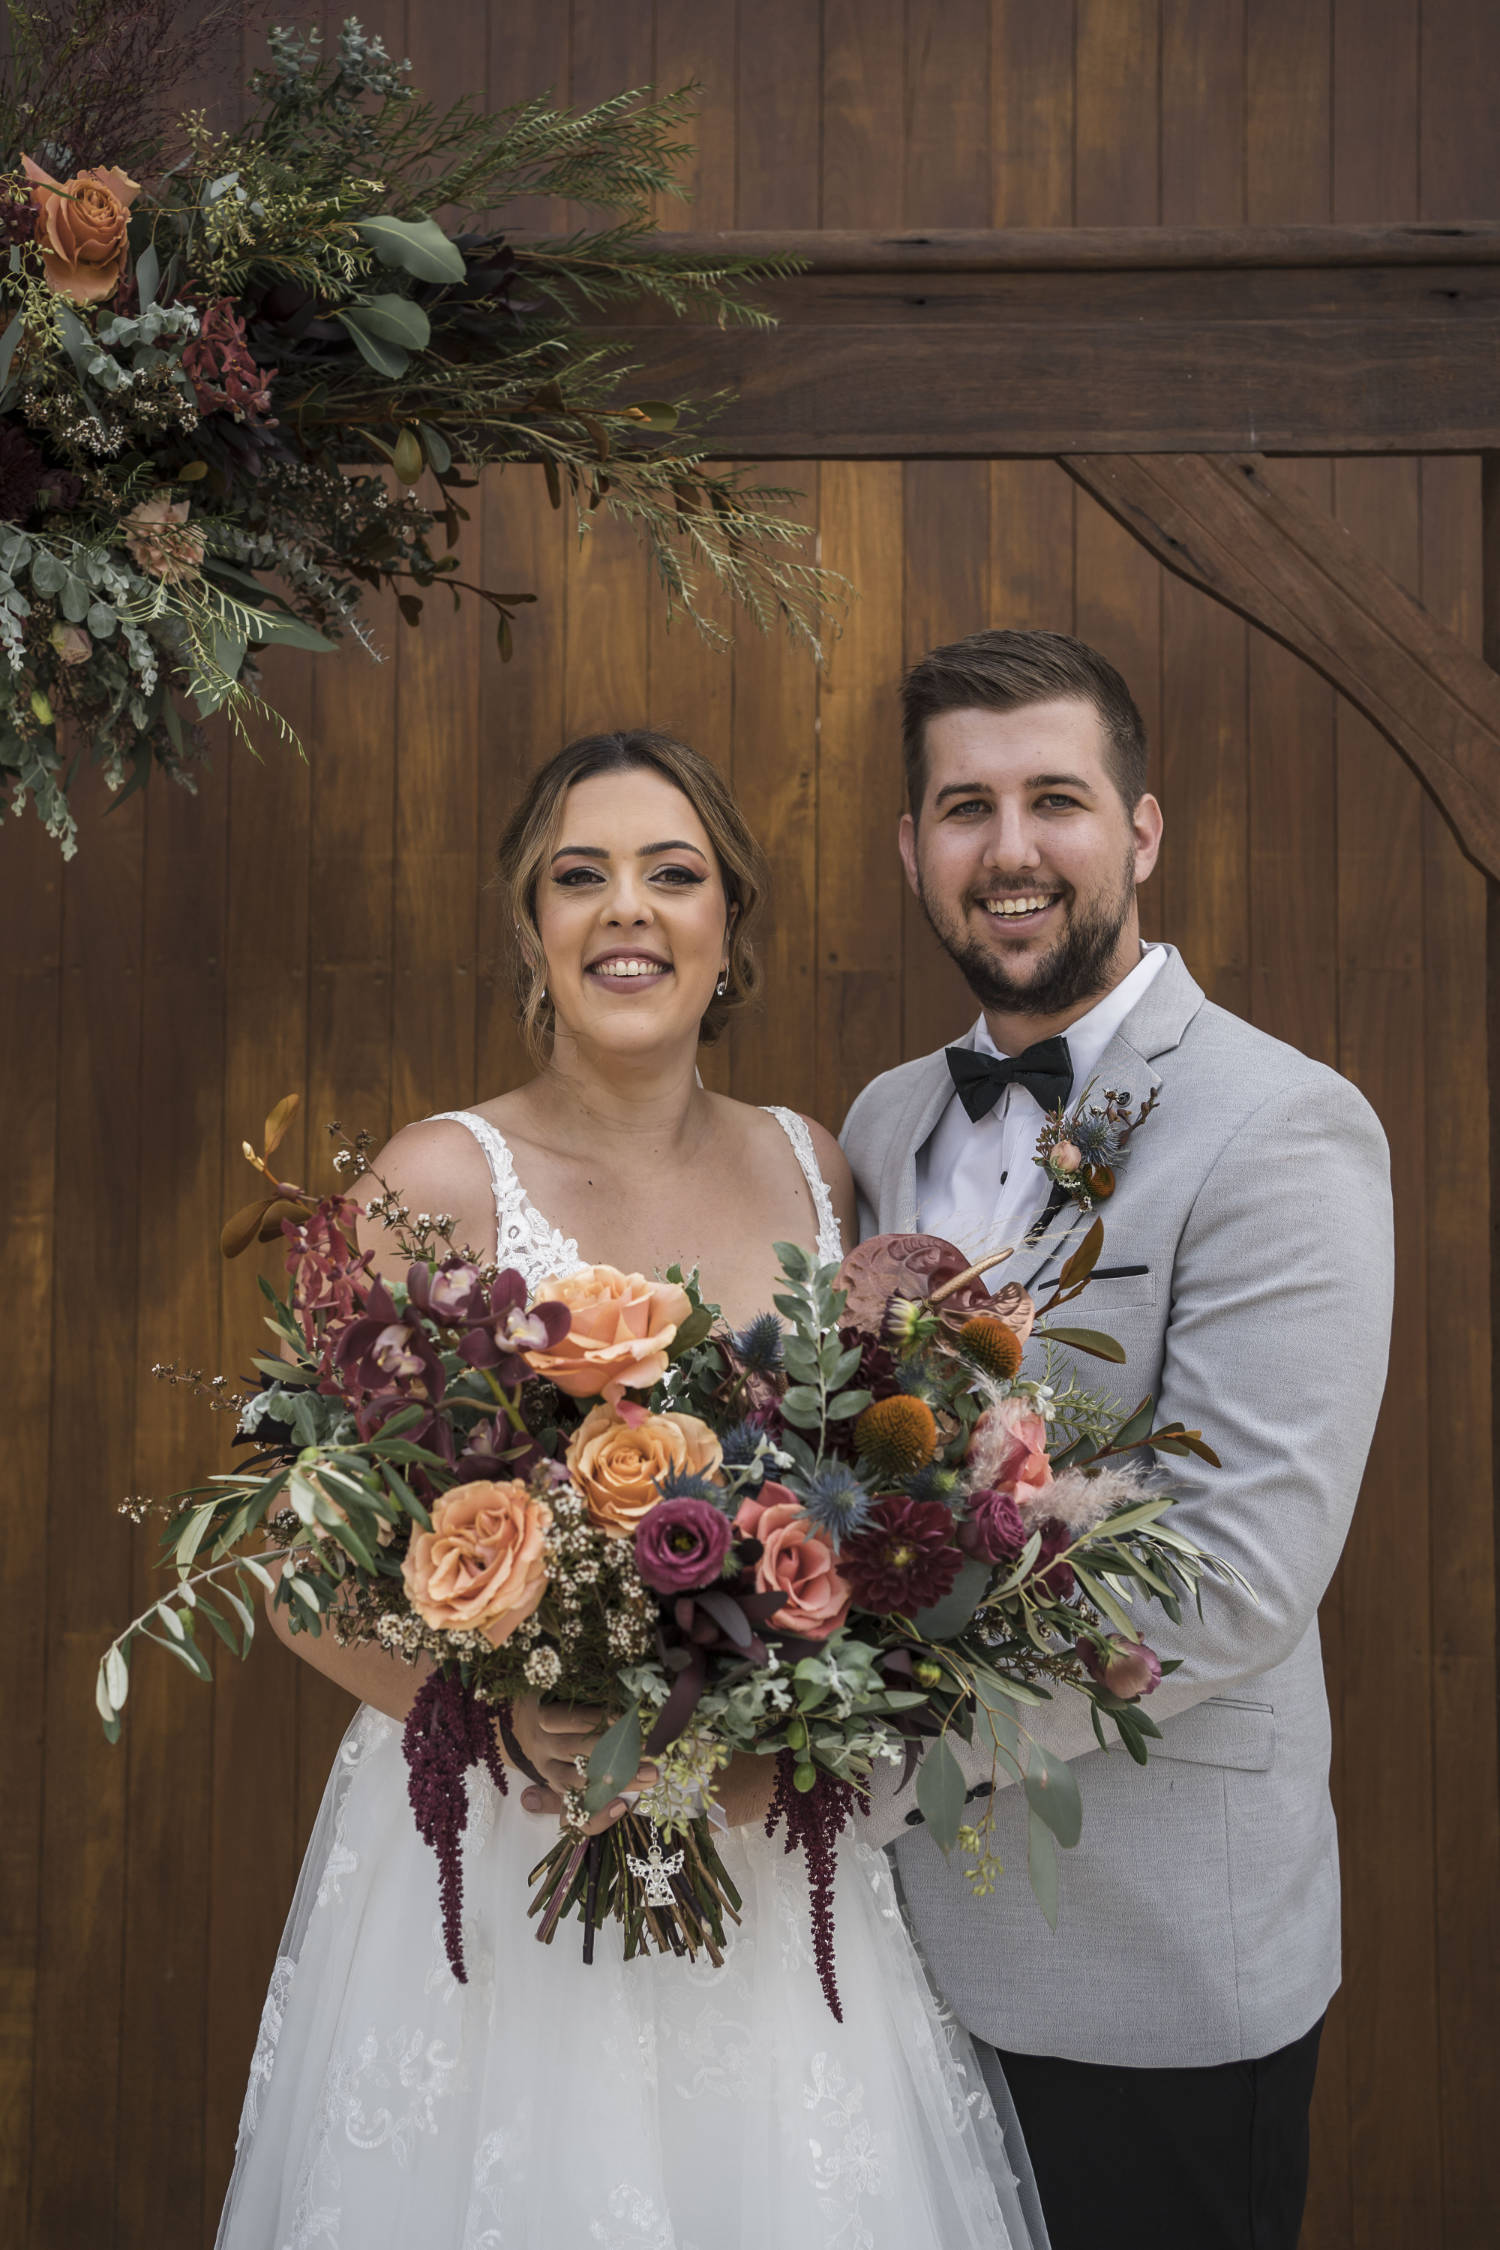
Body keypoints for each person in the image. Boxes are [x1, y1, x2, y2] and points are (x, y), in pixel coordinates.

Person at [217, 729, 1046, 2250]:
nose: (627, 911)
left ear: (730, 924)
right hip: (502, 1842)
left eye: (673, 874)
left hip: (756, 1830)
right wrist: (509, 1706)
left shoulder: (815, 1167)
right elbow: (297, 1566)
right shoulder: (436, 1180)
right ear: (530, 925)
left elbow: (863, 1498)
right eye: (579, 876)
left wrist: (801, 1683)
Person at [840, 630, 1395, 2250]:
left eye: (1056, 801)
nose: (1010, 850)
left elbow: (1231, 1578)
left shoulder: (1280, 1123)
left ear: (1140, 833)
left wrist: (862, 1763)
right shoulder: (884, 1119)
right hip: (891, 1969)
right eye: (964, 807)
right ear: (913, 850)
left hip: (1153, 1963)